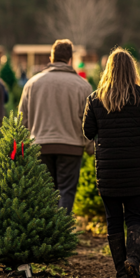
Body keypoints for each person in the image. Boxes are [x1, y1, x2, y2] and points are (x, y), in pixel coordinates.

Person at [83, 47, 140, 278]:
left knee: (113, 220)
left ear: (108, 70)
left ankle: (121, 272)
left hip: (108, 171)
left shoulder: (95, 98)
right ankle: (133, 261)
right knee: (135, 218)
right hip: (137, 170)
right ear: (132, 70)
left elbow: (88, 132)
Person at [19, 39, 93, 214]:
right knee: (66, 191)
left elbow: (22, 120)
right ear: (70, 59)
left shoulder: (32, 84)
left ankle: (48, 233)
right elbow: (89, 123)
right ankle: (62, 232)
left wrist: (19, 148)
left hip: (40, 146)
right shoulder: (83, 86)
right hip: (72, 147)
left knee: (47, 192)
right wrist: (91, 148)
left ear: (51, 57)